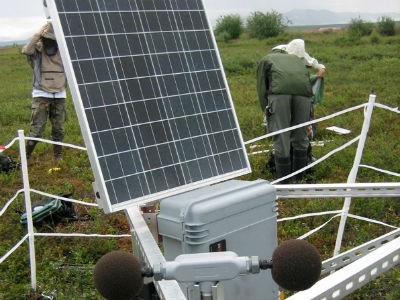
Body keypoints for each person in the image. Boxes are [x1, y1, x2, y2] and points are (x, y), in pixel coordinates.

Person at [256, 39, 325, 183]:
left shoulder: (267, 59)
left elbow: (262, 88)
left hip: (279, 95)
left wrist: (266, 110)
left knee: (281, 136)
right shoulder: (298, 60)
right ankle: (299, 178)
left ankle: (285, 182)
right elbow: (309, 75)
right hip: (304, 95)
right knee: (300, 134)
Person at [22, 22, 67, 162]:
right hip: (41, 94)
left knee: (58, 129)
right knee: (36, 130)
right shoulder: (38, 49)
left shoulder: (64, 51)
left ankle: (58, 156)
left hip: (59, 93)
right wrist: (38, 34)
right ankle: (26, 157)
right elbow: (26, 50)